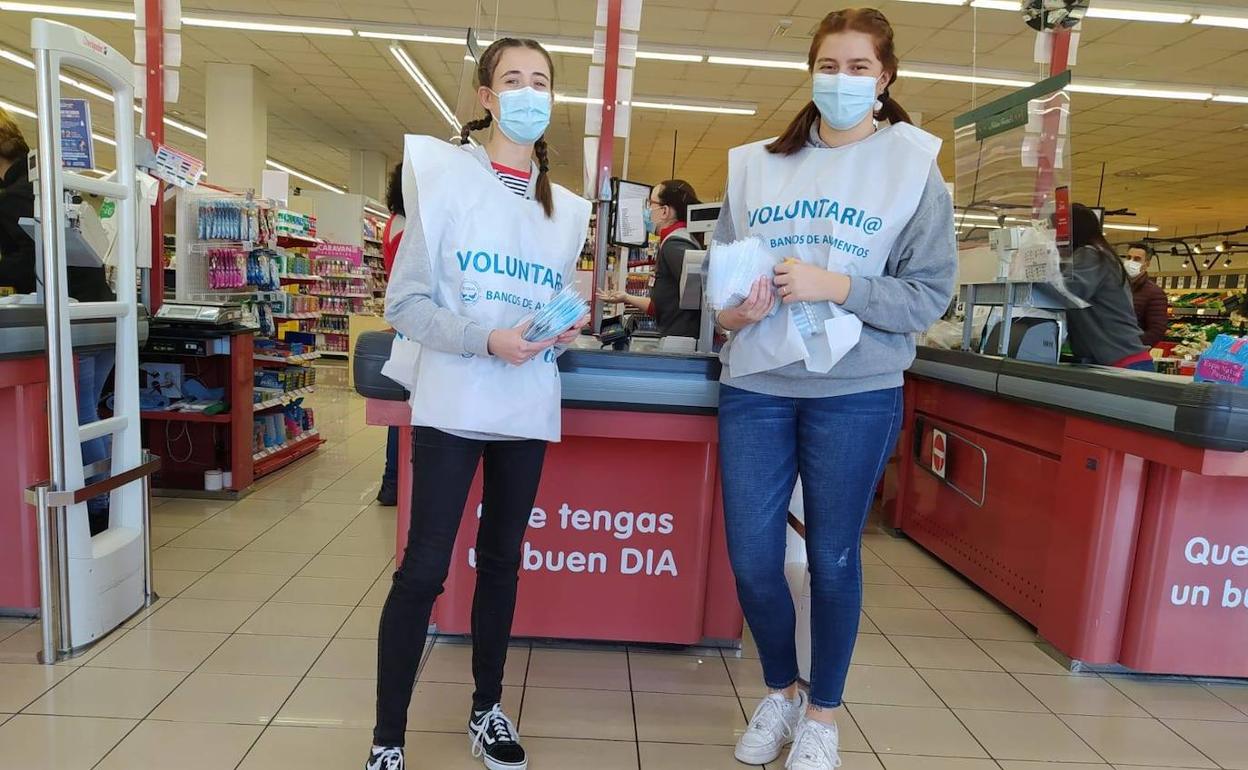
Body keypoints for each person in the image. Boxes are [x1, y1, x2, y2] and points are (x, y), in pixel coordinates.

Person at [710, 9, 957, 769]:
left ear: (884, 80)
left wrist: (839, 284)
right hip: (758, 379)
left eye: (858, 68)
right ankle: (781, 691)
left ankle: (823, 714)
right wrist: (733, 312)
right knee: (753, 556)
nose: (841, 81)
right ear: (810, 72)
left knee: (834, 560)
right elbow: (722, 288)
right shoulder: (756, 165)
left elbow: (926, 297)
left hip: (856, 388)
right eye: (828, 65)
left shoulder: (914, 168)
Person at [367, 38, 590, 770]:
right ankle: (387, 740)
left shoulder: (565, 212)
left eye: (542, 81)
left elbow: (539, 311)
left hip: (524, 405)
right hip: (455, 402)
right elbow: (405, 303)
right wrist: (483, 339)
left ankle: (486, 709)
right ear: (486, 96)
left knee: (501, 561)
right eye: (513, 80)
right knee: (424, 569)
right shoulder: (444, 178)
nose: (529, 93)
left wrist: (561, 327)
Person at [0, 108, 115, 530]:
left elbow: (24, 264)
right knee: (90, 413)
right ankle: (105, 498)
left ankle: (99, 506)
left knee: (79, 414)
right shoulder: (49, 187)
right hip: (100, 314)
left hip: (75, 320)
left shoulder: (15, 197)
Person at [597, 179, 703, 338]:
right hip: (678, 340)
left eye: (650, 203)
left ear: (665, 211)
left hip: (683, 344)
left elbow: (700, 297)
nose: (646, 210)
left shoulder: (675, 245)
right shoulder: (673, 241)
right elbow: (661, 306)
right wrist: (626, 297)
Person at [1064, 205, 1153, 371]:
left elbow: (1066, 292)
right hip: (1119, 359)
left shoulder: (1091, 255)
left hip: (1121, 361)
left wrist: (1030, 278)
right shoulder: (1097, 255)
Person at [377, 163, 406, 507]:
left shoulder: (393, 222)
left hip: (401, 319)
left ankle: (392, 481)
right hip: (411, 324)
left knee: (402, 404)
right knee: (407, 405)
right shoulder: (410, 226)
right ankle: (394, 481)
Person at [1123, 242, 1168, 348]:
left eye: (1137, 259)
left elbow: (1157, 331)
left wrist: (1132, 346)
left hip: (1130, 352)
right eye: (1128, 257)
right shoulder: (1116, 287)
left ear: (1147, 264)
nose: (1131, 262)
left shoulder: (1155, 293)